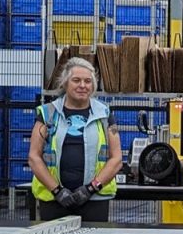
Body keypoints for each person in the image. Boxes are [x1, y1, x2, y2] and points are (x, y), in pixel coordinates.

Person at [27, 57, 122, 222]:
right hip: (54, 201)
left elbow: (116, 159)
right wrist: (57, 191)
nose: (82, 86)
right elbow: (34, 157)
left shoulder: (105, 115)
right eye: (76, 80)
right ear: (65, 83)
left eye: (87, 81)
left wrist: (91, 189)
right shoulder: (47, 114)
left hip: (94, 201)